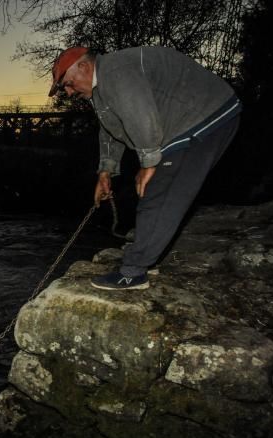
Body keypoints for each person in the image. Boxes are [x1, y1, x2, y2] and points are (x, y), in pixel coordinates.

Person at [48, 46, 241, 290]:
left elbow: (139, 113)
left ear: (84, 67)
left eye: (67, 83)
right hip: (194, 121)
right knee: (158, 191)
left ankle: (133, 273)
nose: (68, 91)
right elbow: (110, 130)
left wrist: (148, 161)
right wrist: (106, 171)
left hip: (202, 117)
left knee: (158, 193)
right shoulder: (100, 91)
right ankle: (146, 259)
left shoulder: (116, 71)